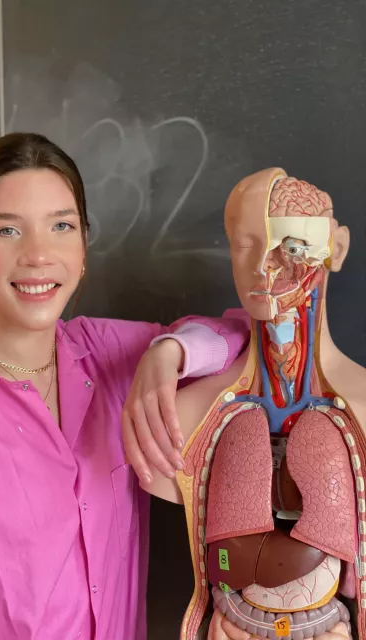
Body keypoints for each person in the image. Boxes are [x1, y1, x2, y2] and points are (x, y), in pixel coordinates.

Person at [0, 133, 249, 640]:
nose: (39, 255)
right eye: (8, 231)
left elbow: (242, 335)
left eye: (61, 226)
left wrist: (171, 351)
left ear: (83, 246)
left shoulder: (111, 355)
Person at [138, 169, 363, 640]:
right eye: (246, 246)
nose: (267, 267)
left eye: (292, 247)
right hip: (234, 622)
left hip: (328, 625)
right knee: (244, 434)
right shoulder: (184, 416)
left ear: (335, 250)